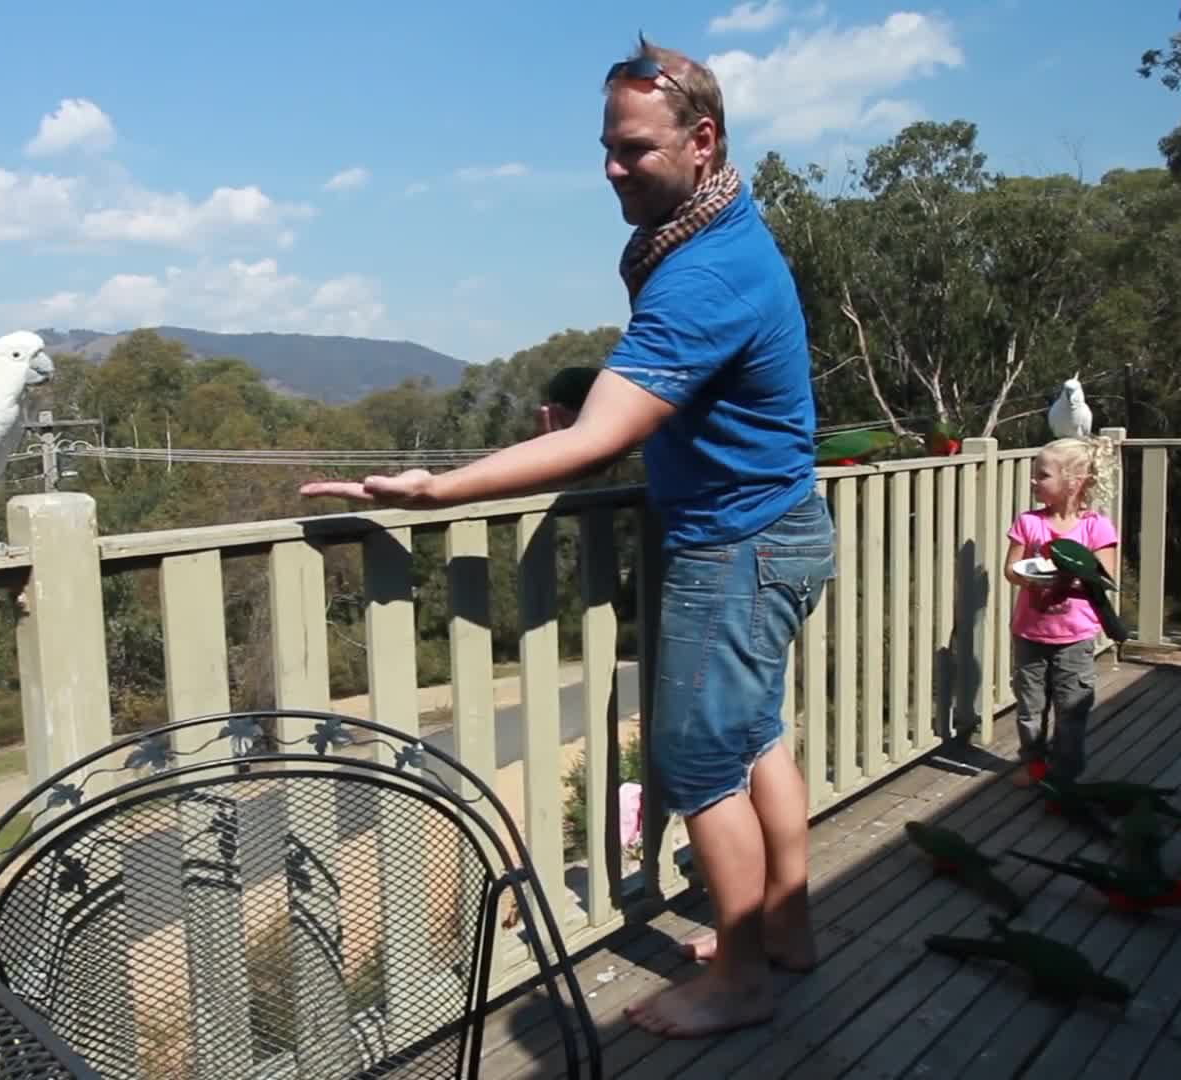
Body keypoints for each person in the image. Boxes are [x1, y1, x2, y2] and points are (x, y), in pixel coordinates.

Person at [297, 35, 831, 1039]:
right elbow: (657, 394)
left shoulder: (704, 271)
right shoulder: (726, 232)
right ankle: (786, 934)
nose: (611, 169)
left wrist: (437, 488)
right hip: (784, 527)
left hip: (738, 548)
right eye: (606, 147)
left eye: (633, 149)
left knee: (703, 762)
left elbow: (600, 441)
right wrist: (600, 402)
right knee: (755, 739)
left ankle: (744, 979)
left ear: (702, 141)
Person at [1003, 435, 1119, 785]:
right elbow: (1012, 569)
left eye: (1043, 475)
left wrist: (1070, 577)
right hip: (1030, 632)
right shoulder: (1028, 522)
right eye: (1035, 474)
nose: (1034, 481)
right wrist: (1031, 578)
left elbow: (1105, 576)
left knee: (1072, 708)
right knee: (1030, 708)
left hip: (1075, 637)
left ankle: (1065, 774)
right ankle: (1034, 764)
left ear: (1074, 482)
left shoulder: (1095, 527)